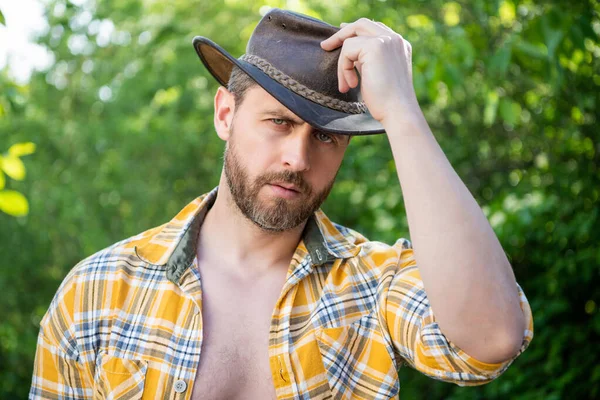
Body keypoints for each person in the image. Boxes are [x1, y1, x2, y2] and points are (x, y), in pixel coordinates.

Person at [30, 8, 533, 400]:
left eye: (327, 137)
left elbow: (490, 340)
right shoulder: (96, 292)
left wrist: (402, 113)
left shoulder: (371, 285)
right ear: (226, 114)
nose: (297, 157)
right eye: (279, 122)